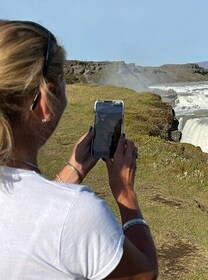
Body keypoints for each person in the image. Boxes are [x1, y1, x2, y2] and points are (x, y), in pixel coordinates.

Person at [0, 20, 158, 279]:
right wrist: (126, 194)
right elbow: (145, 273)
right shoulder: (76, 214)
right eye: (63, 80)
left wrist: (72, 171)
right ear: (44, 103)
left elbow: (25, 218)